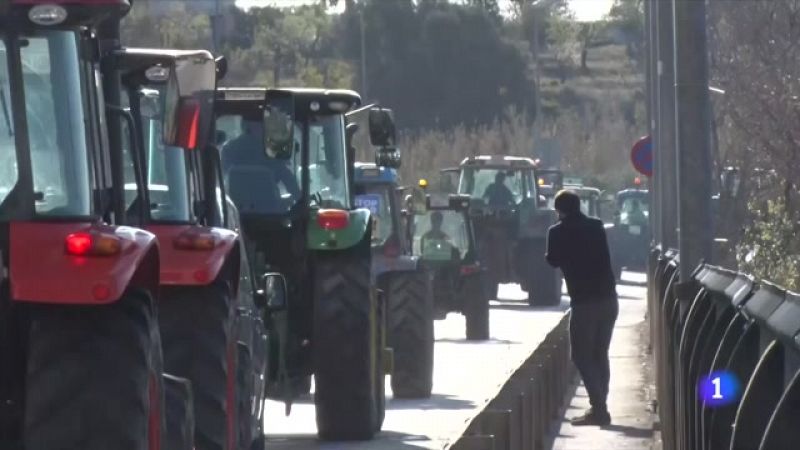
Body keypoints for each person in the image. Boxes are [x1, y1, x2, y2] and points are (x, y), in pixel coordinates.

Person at [545, 190, 618, 426]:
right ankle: (600, 405)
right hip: (609, 299)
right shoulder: (596, 226)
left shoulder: (557, 232)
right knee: (600, 353)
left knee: (580, 355)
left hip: (584, 302)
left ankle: (599, 408)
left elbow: (552, 260)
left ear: (560, 210)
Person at [221, 119, 300, 200]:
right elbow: (288, 179)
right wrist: (300, 200)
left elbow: (221, 179)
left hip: (235, 207)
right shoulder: (273, 151)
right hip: (269, 206)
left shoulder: (229, 148)